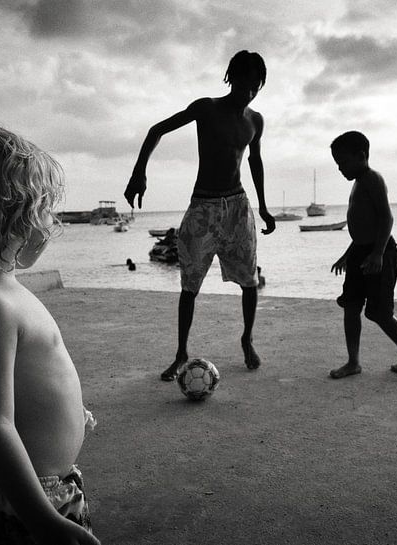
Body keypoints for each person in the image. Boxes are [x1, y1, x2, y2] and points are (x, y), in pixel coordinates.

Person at [0, 121, 100, 545]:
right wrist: (44, 520)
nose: (52, 220)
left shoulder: (1, 291)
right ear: (8, 215)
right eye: (44, 208)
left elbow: (29, 380)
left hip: (43, 490)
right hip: (23, 504)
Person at [124, 50, 276, 381]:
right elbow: (156, 130)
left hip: (237, 207)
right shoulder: (206, 108)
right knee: (189, 283)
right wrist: (139, 173)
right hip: (203, 206)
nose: (248, 93)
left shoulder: (255, 121)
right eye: (243, 84)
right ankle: (181, 353)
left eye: (255, 87)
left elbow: (254, 160)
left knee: (249, 280)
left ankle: (247, 339)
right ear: (230, 78)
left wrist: (263, 206)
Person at [328, 131, 397, 378]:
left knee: (379, 312)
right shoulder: (357, 183)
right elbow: (363, 228)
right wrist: (347, 255)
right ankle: (353, 362)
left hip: (379, 253)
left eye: (343, 162)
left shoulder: (372, 180)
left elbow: (386, 218)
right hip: (360, 252)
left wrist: (378, 253)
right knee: (350, 305)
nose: (340, 169)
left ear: (361, 156)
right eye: (337, 164)